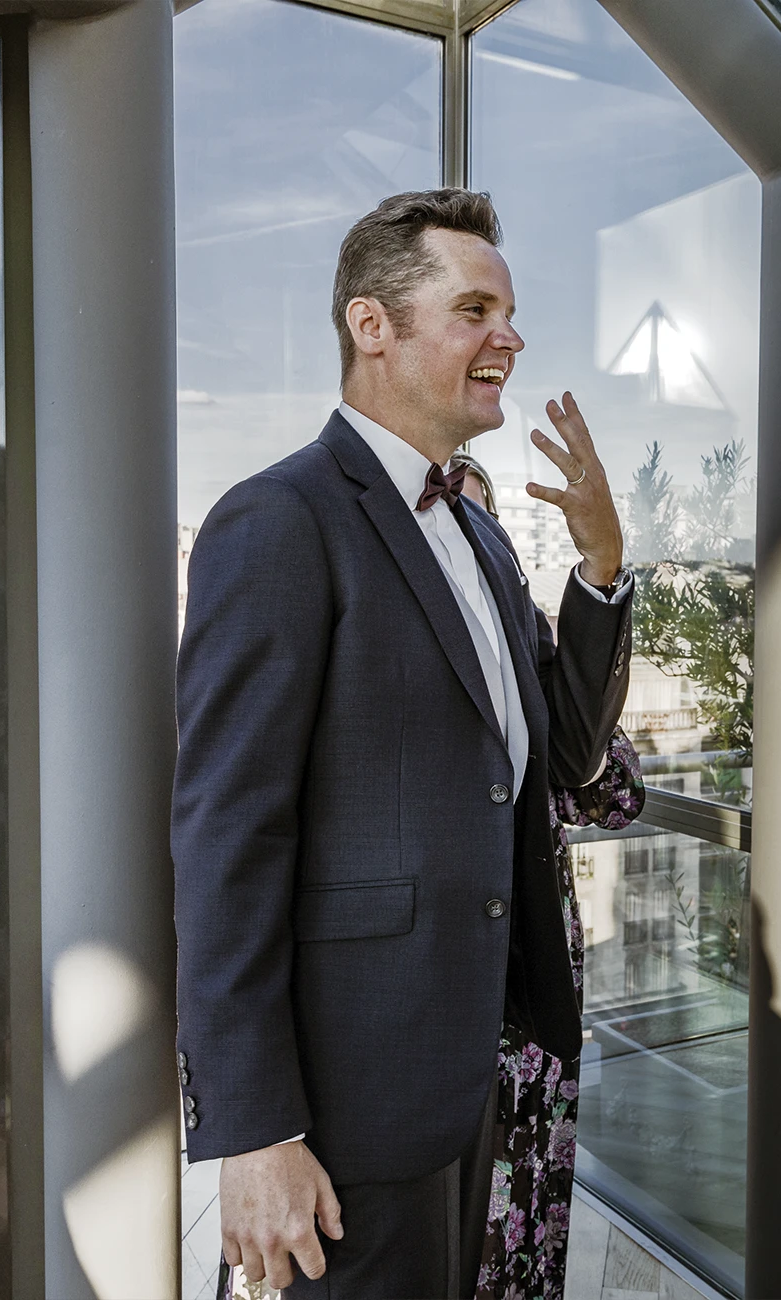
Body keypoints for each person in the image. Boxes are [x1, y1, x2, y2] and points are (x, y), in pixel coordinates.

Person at [173, 188, 633, 1298]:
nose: (508, 338)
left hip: (474, 1070)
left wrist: (602, 566)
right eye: (475, 311)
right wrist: (256, 1127)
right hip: (348, 1098)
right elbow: (226, 842)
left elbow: (567, 753)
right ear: (371, 325)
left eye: (508, 313)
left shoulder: (479, 531)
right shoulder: (277, 519)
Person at [452, 456, 646, 1299]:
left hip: (530, 958)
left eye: (476, 516)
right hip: (422, 978)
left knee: (521, 1186)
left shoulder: (522, 636)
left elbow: (614, 792)